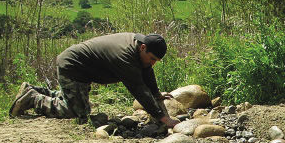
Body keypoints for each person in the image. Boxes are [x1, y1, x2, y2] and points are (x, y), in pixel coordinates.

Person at [9, 33, 180, 128]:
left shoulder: (140, 47)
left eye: (156, 61)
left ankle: (33, 90)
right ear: (143, 48)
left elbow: (147, 72)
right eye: (152, 58)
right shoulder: (125, 55)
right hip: (73, 68)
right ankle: (33, 98)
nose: (152, 63)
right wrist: (162, 118)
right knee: (76, 113)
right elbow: (138, 88)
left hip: (82, 71)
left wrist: (157, 94)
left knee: (76, 102)